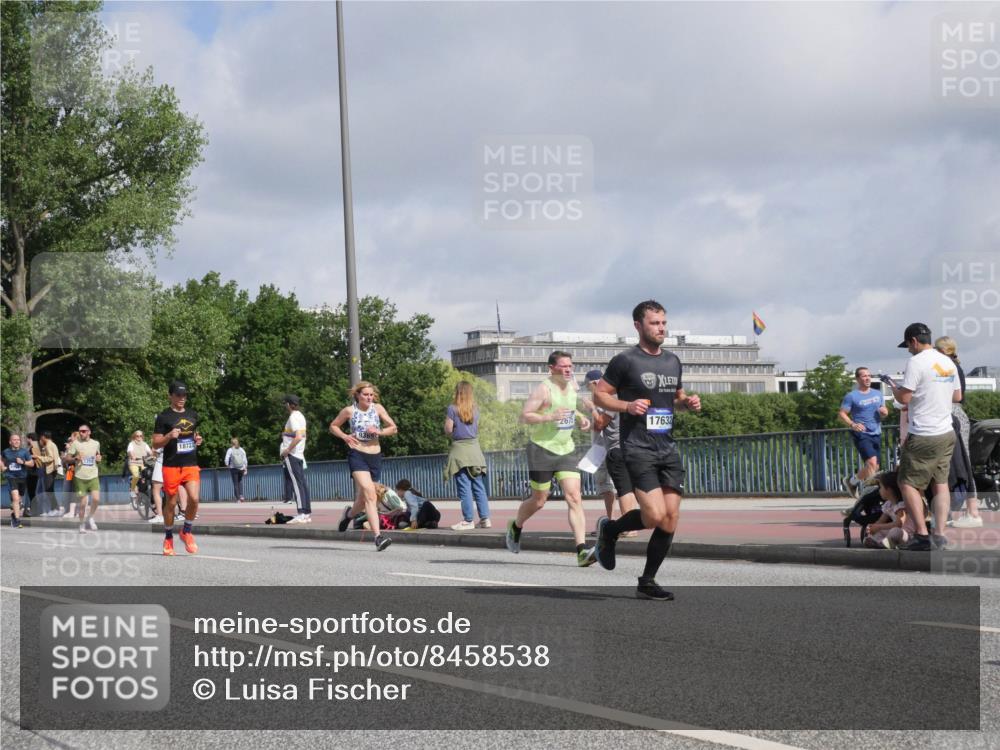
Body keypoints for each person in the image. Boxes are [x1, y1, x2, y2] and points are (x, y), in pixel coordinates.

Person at [592, 300, 702, 601]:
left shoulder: (673, 361)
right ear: (638, 326)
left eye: (663, 323)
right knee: (654, 515)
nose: (661, 328)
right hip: (637, 447)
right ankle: (611, 531)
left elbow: (676, 399)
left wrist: (688, 403)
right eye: (654, 323)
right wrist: (627, 406)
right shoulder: (625, 361)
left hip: (667, 447)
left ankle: (647, 581)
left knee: (670, 517)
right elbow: (600, 396)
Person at [505, 350, 594, 566]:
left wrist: (581, 418)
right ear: (551, 369)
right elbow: (524, 416)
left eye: (570, 366)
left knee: (574, 497)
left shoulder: (572, 386)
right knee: (539, 500)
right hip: (541, 450)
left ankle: (581, 551)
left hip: (566, 449)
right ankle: (516, 525)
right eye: (563, 366)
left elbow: (571, 409)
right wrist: (549, 417)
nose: (568, 370)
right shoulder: (543, 389)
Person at [885, 323, 961, 551]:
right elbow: (957, 396)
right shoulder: (947, 362)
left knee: (906, 483)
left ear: (914, 341)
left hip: (924, 433)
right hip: (946, 432)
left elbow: (904, 398)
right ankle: (940, 535)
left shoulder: (916, 362)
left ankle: (921, 534)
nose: (909, 350)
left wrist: (894, 388)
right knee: (940, 483)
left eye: (908, 346)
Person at [330, 381, 398, 551]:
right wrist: (345, 436)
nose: (369, 397)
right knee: (370, 494)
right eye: (365, 394)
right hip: (357, 454)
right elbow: (333, 426)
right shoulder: (349, 411)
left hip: (375, 455)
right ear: (357, 395)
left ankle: (348, 515)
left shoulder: (378, 408)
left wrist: (379, 431)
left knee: (363, 498)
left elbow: (393, 428)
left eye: (371, 395)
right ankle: (378, 537)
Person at [583, 369, 639, 536]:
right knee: (627, 488)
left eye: (588, 385)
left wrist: (592, 409)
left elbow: (600, 424)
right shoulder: (622, 397)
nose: (588, 389)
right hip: (627, 446)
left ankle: (626, 527)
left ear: (595, 383)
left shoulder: (611, 400)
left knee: (622, 489)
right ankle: (628, 526)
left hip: (615, 448)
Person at [936, 336, 982, 528]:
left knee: (962, 460)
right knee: (961, 460)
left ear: (942, 350)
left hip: (951, 414)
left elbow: (955, 395)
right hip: (955, 414)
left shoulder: (948, 368)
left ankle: (972, 511)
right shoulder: (954, 366)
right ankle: (969, 510)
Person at [153, 380, 202, 556]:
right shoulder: (163, 417)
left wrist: (197, 439)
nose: (182, 398)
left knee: (194, 499)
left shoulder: (193, 414)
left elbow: (193, 434)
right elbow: (155, 443)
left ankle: (186, 531)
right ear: (170, 396)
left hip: (190, 464)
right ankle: (168, 537)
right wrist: (168, 436)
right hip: (171, 466)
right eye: (178, 395)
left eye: (184, 395)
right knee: (171, 503)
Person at [444, 382, 491, 530]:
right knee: (479, 486)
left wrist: (452, 429)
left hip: (460, 452)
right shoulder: (476, 409)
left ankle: (468, 520)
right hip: (475, 450)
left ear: (458, 392)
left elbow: (448, 429)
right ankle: (485, 519)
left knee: (464, 487)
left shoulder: (452, 408)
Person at [838, 367, 889, 502]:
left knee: (875, 466)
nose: (867, 378)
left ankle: (852, 481)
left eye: (869, 375)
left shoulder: (878, 394)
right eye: (864, 376)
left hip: (876, 432)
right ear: (857, 379)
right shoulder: (852, 396)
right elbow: (842, 414)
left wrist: (884, 412)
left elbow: (883, 410)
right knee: (871, 462)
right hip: (861, 433)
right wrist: (852, 424)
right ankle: (871, 496)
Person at [280, 395, 311, 523]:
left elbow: (298, 437)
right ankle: (306, 513)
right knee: (302, 483)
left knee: (296, 484)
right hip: (299, 454)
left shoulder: (292, 417)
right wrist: (286, 434)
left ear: (288, 404)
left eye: (285, 403)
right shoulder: (300, 416)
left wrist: (287, 450)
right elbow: (302, 434)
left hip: (292, 454)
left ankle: (301, 512)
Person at [67, 424, 102, 533]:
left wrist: (99, 459)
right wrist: (75, 458)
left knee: (96, 499)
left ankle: (90, 517)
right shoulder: (75, 444)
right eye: (80, 431)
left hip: (93, 475)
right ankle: (81, 524)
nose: (81, 433)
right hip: (80, 477)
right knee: (83, 503)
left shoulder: (96, 443)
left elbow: (98, 456)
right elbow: (67, 458)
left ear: (89, 432)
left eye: (84, 431)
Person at [2, 434, 34, 528]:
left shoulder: (24, 452)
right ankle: (17, 520)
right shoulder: (6, 452)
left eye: (18, 440)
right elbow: (1, 459)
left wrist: (23, 462)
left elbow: (32, 463)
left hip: (22, 477)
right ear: (10, 442)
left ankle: (14, 514)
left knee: (19, 499)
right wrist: (2, 467)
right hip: (11, 477)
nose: (16, 441)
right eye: (14, 440)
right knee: (15, 498)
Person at [36, 431, 61, 516]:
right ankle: (54, 508)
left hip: (49, 470)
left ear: (43, 437)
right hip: (52, 469)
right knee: (49, 490)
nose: (40, 439)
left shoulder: (48, 445)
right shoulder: (52, 444)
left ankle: (55, 508)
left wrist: (39, 457)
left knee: (49, 490)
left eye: (41, 437)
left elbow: (50, 458)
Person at [126, 430, 153, 501]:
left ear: (142, 437)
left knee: (149, 474)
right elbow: (129, 451)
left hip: (142, 463)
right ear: (134, 437)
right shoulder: (131, 444)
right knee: (136, 475)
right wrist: (132, 456)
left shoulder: (145, 444)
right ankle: (132, 490)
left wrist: (153, 455)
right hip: (133, 462)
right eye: (137, 436)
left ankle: (146, 489)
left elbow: (150, 452)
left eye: (140, 436)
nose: (139, 437)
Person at [224, 437, 248, 502]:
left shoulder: (230, 450)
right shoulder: (241, 449)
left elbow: (226, 459)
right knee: (240, 481)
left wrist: (227, 465)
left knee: (235, 483)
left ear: (232, 443)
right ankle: (241, 496)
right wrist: (245, 468)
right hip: (241, 468)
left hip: (233, 468)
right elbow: (245, 459)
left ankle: (238, 499)